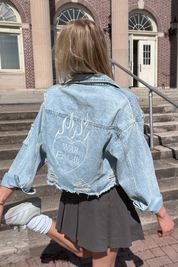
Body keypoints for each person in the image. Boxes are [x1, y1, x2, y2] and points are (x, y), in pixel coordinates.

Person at [0, 19, 174, 267]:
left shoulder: (54, 97)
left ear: (64, 53)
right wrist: (160, 211)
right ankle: (34, 219)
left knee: (84, 251)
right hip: (105, 193)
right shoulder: (120, 101)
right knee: (97, 257)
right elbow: (135, 163)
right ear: (100, 51)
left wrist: (3, 194)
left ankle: (34, 219)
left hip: (73, 191)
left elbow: (32, 147)